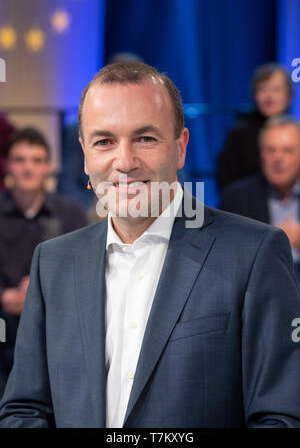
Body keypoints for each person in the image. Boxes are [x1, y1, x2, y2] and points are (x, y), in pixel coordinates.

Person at [1, 62, 300, 428]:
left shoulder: (254, 254)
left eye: (145, 138)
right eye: (104, 141)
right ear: (84, 154)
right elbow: (23, 411)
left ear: (180, 148)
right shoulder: (52, 262)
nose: (124, 162)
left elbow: (280, 417)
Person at [0, 128, 87, 397]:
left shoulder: (70, 213)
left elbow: (83, 273)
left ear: (48, 167)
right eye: (19, 160)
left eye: (37, 160)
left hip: (55, 325)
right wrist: (3, 298)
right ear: (7, 165)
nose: (28, 168)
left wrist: (39, 295)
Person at [220, 114, 300, 284]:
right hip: (257, 292)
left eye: (287, 150)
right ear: (260, 154)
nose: (278, 158)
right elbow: (224, 258)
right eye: (271, 150)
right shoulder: (236, 199)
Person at [218, 63, 293, 190]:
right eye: (263, 90)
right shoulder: (238, 135)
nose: (269, 96)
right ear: (254, 95)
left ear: (289, 96)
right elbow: (227, 184)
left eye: (276, 90)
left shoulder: (295, 134)